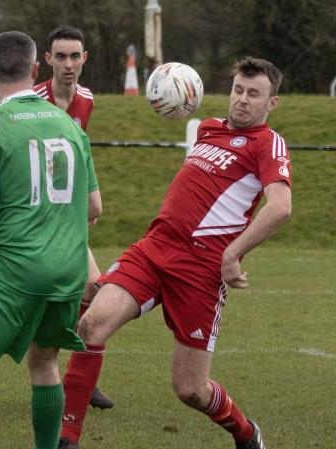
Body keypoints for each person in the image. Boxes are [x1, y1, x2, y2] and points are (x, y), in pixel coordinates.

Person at [58, 56, 288, 449]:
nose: (243, 100)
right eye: (238, 90)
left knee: (190, 389)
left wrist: (233, 253)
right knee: (92, 325)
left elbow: (280, 207)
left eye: (254, 94)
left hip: (201, 270)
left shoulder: (267, 143)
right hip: (154, 247)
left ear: (271, 104)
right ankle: (66, 440)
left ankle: (247, 433)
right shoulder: (208, 129)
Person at [0, 30, 99, 449]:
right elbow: (94, 208)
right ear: (35, 68)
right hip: (69, 267)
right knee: (45, 363)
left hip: (18, 266)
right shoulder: (70, 124)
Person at [34, 25, 115, 415]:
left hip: (66, 221)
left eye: (75, 56)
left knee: (94, 292)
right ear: (47, 61)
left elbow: (75, 158)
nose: (68, 64)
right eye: (60, 56)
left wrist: (82, 206)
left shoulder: (86, 100)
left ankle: (83, 381)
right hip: (29, 221)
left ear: (85, 59)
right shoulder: (32, 100)